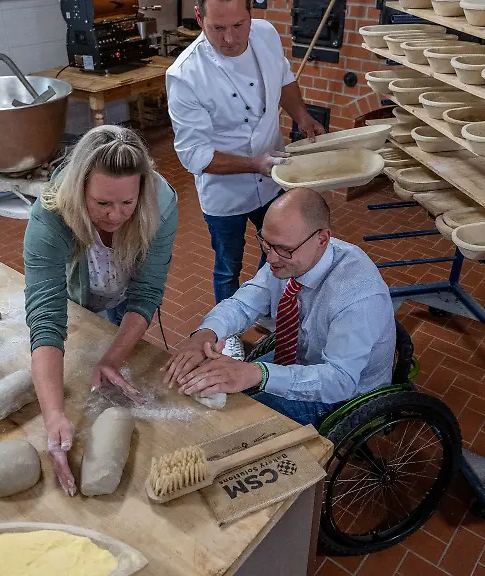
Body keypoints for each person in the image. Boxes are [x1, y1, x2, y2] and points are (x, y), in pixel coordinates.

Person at [23, 125, 178, 495]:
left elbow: (146, 292)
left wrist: (113, 357)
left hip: (125, 290)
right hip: (82, 292)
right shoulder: (51, 215)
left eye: (128, 203)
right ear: (80, 193)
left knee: (118, 336)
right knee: (86, 332)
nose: (115, 216)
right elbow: (47, 317)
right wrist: (55, 416)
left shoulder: (161, 203)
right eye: (102, 204)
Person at [166, 0, 326, 356]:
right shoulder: (185, 75)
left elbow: (284, 80)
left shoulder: (266, 35)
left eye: (238, 26)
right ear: (198, 18)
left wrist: (302, 117)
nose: (229, 38)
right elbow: (194, 154)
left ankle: (264, 307)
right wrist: (255, 163)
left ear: (251, 15)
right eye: (217, 28)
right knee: (228, 264)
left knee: (277, 251)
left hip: (272, 178)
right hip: (226, 193)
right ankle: (229, 334)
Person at [162, 188, 396, 426]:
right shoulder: (291, 255)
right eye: (265, 243)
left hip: (346, 392)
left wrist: (254, 374)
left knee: (239, 422)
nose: (271, 259)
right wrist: (205, 334)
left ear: (322, 240)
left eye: (284, 249)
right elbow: (244, 303)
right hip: (302, 356)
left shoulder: (358, 296)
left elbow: (339, 381)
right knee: (229, 389)